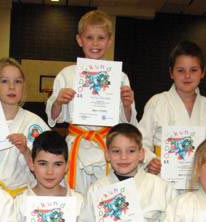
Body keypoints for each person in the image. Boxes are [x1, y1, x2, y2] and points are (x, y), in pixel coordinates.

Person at [45, 10, 137, 194]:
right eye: (89, 37)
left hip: (106, 145)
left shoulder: (119, 77)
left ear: (109, 41)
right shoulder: (67, 74)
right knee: (76, 196)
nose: (95, 43)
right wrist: (58, 102)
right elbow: (53, 118)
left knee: (105, 195)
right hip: (77, 145)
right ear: (79, 40)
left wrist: (127, 104)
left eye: (101, 38)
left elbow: (127, 122)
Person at [138, 40, 206, 186]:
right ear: (171, 73)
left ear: (203, 72)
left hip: (198, 180)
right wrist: (150, 160)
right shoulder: (157, 102)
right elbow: (141, 140)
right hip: (162, 177)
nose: (187, 76)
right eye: (181, 70)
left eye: (193, 70)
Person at [0, 57, 49, 197]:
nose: (12, 87)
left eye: (17, 81)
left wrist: (26, 151)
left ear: (23, 86)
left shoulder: (34, 123)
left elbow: (50, 167)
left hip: (21, 197)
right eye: (5, 81)